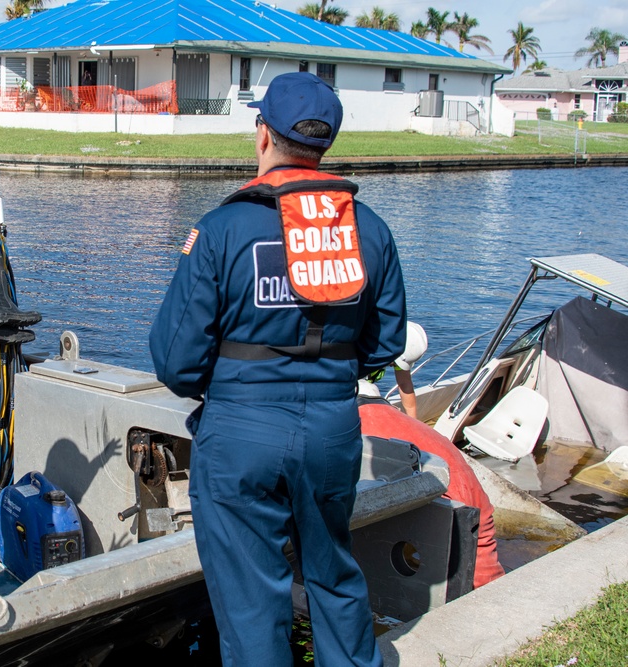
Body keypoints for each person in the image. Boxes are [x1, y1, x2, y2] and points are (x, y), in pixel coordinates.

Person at [150, 72, 406, 666]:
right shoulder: (370, 229)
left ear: (262, 134)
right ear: (325, 144)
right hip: (333, 428)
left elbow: (175, 359)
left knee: (250, 601)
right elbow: (385, 339)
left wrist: (233, 390)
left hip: (240, 430)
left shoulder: (221, 229)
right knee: (334, 576)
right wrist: (327, 376)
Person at [357, 381, 505, 588]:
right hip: (474, 504)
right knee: (487, 579)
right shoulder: (412, 424)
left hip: (438, 514)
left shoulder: (358, 428)